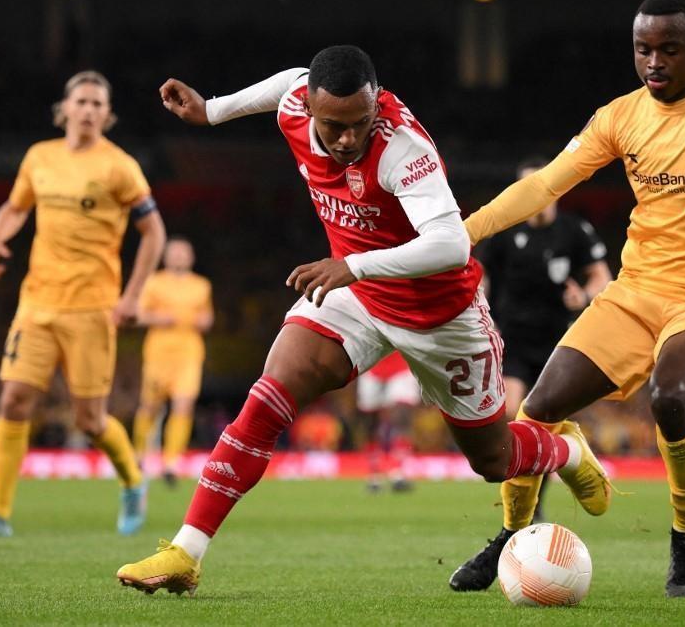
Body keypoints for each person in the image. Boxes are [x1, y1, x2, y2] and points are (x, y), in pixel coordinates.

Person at [115, 45, 609, 596]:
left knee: (494, 461)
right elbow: (285, 82)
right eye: (334, 126)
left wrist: (351, 264)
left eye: (360, 123)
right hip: (357, 296)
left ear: (376, 106)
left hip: (440, 316)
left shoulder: (403, 148)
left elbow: (449, 244)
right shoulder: (297, 105)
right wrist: (212, 111)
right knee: (266, 398)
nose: (348, 138)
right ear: (311, 110)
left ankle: (567, 451)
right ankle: (187, 550)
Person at [448, 0, 685, 598]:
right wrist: (465, 231)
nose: (654, 62)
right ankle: (511, 536)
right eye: (643, 50)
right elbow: (544, 187)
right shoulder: (619, 116)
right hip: (636, 292)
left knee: (670, 395)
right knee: (535, 410)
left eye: (669, 49)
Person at [0, 70, 166, 539]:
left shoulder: (120, 167)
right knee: (13, 400)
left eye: (98, 103)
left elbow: (153, 232)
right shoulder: (40, 157)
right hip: (36, 301)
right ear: (65, 109)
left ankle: (133, 481)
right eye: (82, 101)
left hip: (92, 307)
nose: (90, 109)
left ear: (107, 115)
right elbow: (16, 207)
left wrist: (132, 295)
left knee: (89, 419)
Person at [467, 156, 612, 523]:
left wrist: (584, 296)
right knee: (515, 416)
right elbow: (481, 281)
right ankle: (523, 508)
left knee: (545, 424)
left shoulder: (573, 231)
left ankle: (533, 505)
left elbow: (601, 277)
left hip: (559, 345)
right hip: (513, 340)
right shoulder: (504, 234)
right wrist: (479, 312)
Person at [131, 236, 214, 487]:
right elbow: (138, 315)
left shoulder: (201, 286)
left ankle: (171, 462)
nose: (179, 257)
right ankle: (139, 454)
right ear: (166, 257)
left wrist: (203, 322)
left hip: (189, 351)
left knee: (184, 405)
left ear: (191, 258)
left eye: (183, 253)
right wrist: (159, 318)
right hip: (159, 351)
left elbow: (208, 318)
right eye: (175, 253)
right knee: (151, 406)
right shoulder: (154, 282)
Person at [356, 350, 419, 493]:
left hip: (401, 365)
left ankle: (397, 473)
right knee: (370, 424)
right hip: (371, 365)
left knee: (401, 417)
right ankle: (374, 475)